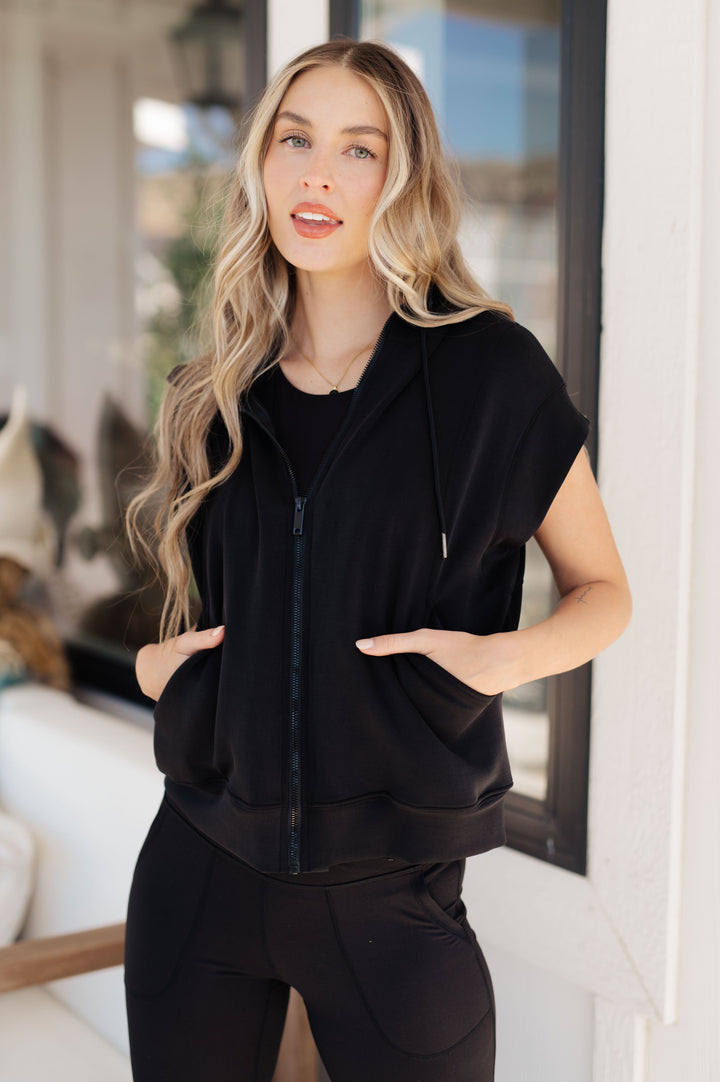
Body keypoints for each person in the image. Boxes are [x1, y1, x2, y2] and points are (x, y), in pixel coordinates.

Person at [124, 38, 631, 1082]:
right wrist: (149, 667)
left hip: (394, 897)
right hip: (198, 869)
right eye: (296, 139)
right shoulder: (213, 390)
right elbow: (198, 604)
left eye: (359, 149)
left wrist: (499, 660)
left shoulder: (488, 375)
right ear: (263, 161)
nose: (317, 174)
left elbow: (605, 593)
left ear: (403, 179)